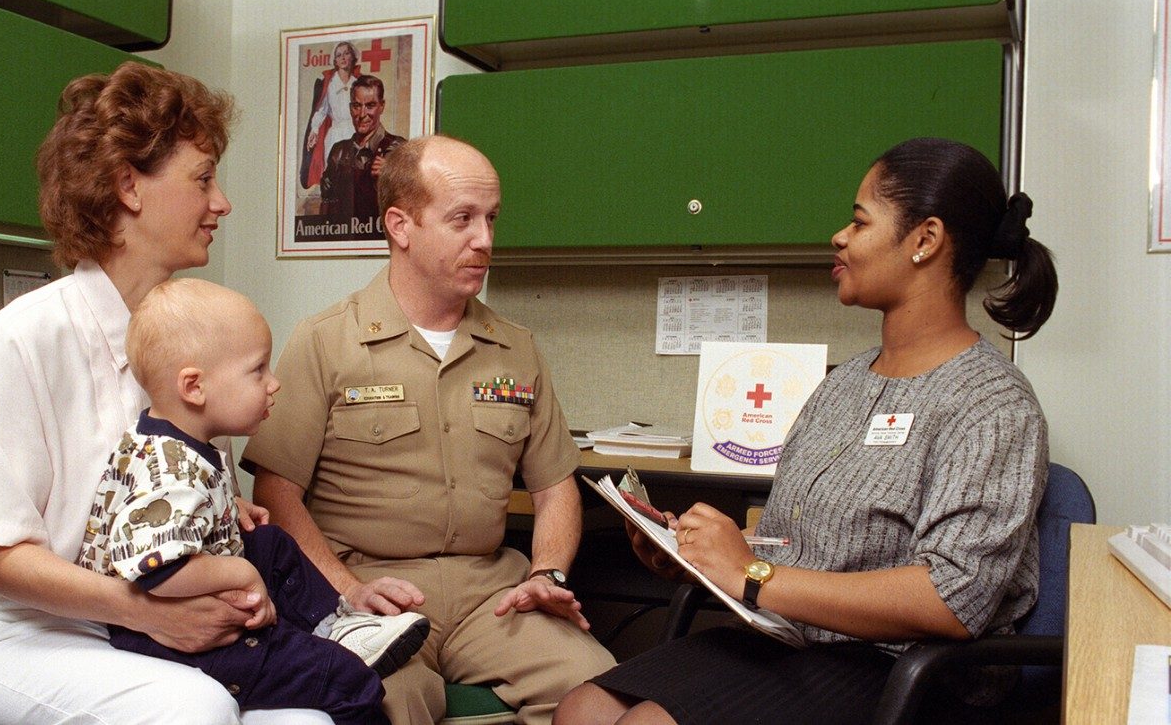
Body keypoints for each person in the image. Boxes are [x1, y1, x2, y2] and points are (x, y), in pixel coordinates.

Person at [555, 137, 1060, 725]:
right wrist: (693, 555)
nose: (839, 237)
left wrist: (749, 573)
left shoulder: (992, 403)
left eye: (859, 220)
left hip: (904, 668)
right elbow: (795, 542)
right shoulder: (842, 383)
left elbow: (951, 598)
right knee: (582, 710)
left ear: (925, 239)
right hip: (792, 640)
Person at [0, 62, 334, 725]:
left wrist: (221, 518)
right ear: (128, 185)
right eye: (203, 178)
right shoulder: (23, 337)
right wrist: (145, 610)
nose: (222, 203)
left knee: (311, 720)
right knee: (195, 707)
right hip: (23, 634)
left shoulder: (200, 346)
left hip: (142, 635)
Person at [242, 134, 617, 724]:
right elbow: (275, 494)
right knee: (384, 702)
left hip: (492, 598)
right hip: (370, 590)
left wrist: (547, 572)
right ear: (401, 225)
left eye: (492, 218)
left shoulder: (515, 348)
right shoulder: (325, 341)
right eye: (462, 219)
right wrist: (347, 592)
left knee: (603, 694)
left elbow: (554, 486)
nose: (485, 240)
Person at [78, 278, 432, 722]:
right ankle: (328, 651)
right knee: (352, 680)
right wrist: (242, 573)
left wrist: (227, 507)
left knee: (272, 543)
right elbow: (155, 567)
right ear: (194, 387)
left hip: (182, 586)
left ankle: (335, 626)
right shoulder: (175, 473)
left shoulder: (167, 437)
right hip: (167, 635)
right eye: (257, 370)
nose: (274, 383)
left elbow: (158, 508)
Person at [319, 75, 405, 228]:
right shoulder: (338, 152)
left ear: (382, 106)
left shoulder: (399, 149)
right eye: (357, 106)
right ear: (350, 108)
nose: (362, 114)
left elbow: (412, 205)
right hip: (342, 241)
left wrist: (392, 177)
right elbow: (326, 206)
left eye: (370, 105)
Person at [300, 41, 361, 189]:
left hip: (354, 131)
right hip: (336, 133)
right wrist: (314, 130)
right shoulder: (330, 83)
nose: (343, 58)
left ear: (353, 56)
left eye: (346, 53)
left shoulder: (358, 82)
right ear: (335, 61)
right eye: (339, 55)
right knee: (334, 170)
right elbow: (322, 110)